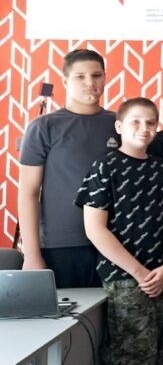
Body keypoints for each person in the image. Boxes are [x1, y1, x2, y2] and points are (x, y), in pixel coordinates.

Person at [76, 97, 163, 365]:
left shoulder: (161, 167)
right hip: (124, 278)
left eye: (150, 123)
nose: (144, 128)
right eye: (135, 122)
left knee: (161, 352)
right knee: (131, 355)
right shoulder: (105, 166)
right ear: (119, 126)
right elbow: (95, 229)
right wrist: (140, 273)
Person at [18, 48, 118, 288]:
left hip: (116, 243)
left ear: (105, 77)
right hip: (61, 246)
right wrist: (32, 255)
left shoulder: (120, 123)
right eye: (80, 76)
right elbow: (28, 193)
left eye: (96, 75)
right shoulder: (44, 126)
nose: (90, 83)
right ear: (65, 81)